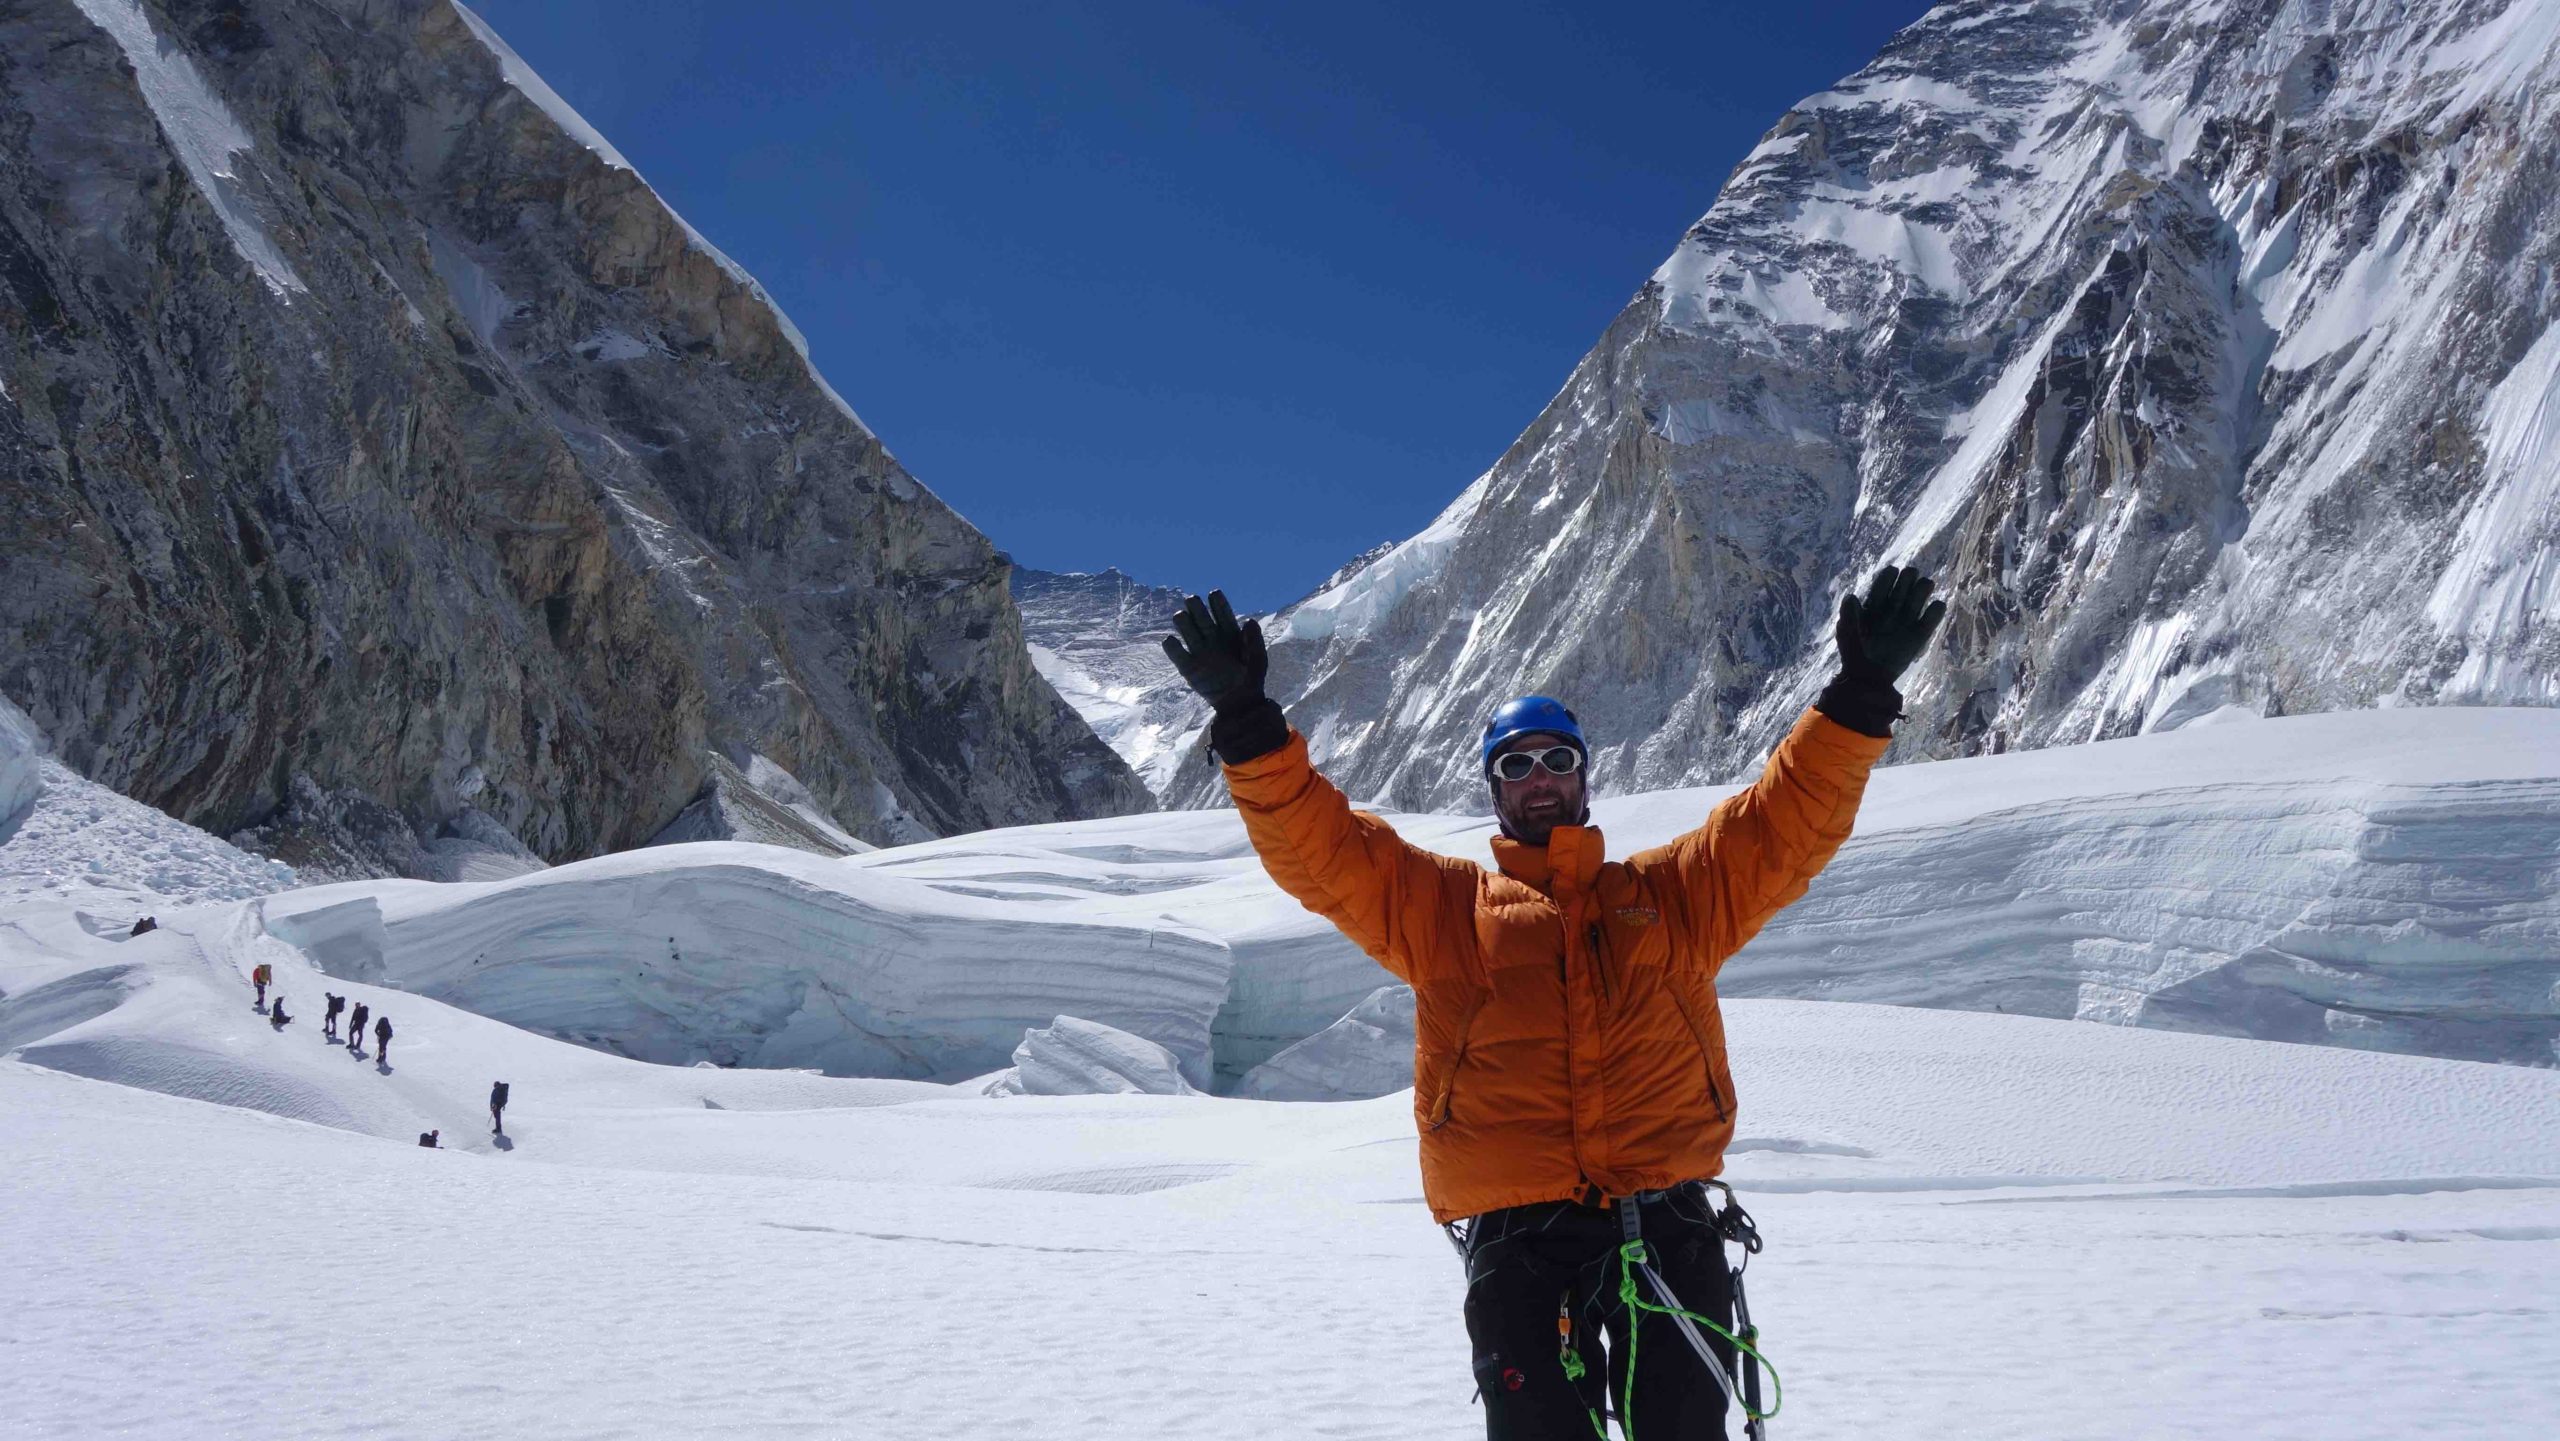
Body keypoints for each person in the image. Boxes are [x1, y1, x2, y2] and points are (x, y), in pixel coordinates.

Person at [1164, 569, 1947, 1439]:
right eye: (1517, 765)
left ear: (1585, 778)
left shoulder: (1673, 893)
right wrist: (1248, 727)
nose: (1540, 778)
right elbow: (1328, 853)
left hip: (1668, 1217)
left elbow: (1782, 824)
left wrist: (1860, 699)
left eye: (1557, 760)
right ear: (1496, 792)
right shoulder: (1445, 909)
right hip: (1518, 1235)